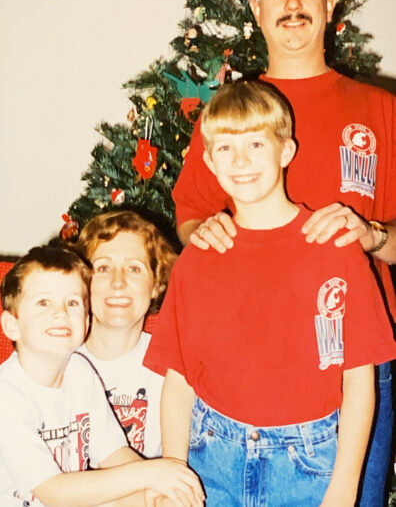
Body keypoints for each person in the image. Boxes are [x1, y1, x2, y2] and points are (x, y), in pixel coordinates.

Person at [172, 0, 396, 506]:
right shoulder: (229, 117)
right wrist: (204, 230)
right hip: (240, 369)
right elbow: (191, 219)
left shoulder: (381, 110)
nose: (292, 2)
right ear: (256, 8)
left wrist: (374, 237)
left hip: (354, 364)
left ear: (330, 3)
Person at [144, 79, 396, 507]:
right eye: (225, 148)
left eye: (256, 145)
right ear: (208, 159)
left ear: (285, 151)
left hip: (311, 467)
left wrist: (343, 488)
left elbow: (359, 382)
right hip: (212, 463)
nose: (240, 161)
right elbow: (179, 380)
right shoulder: (199, 257)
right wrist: (173, 471)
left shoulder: (336, 250)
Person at [0, 245, 204, 507]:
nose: (60, 312)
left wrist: (154, 494)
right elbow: (54, 492)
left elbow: (112, 452)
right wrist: (151, 473)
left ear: (86, 322)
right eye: (43, 302)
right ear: (11, 326)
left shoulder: (79, 370)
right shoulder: (8, 394)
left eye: (72, 302)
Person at [77, 209, 176, 458]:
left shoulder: (174, 369)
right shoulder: (57, 362)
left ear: (157, 284)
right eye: (102, 268)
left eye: (133, 268)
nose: (118, 282)